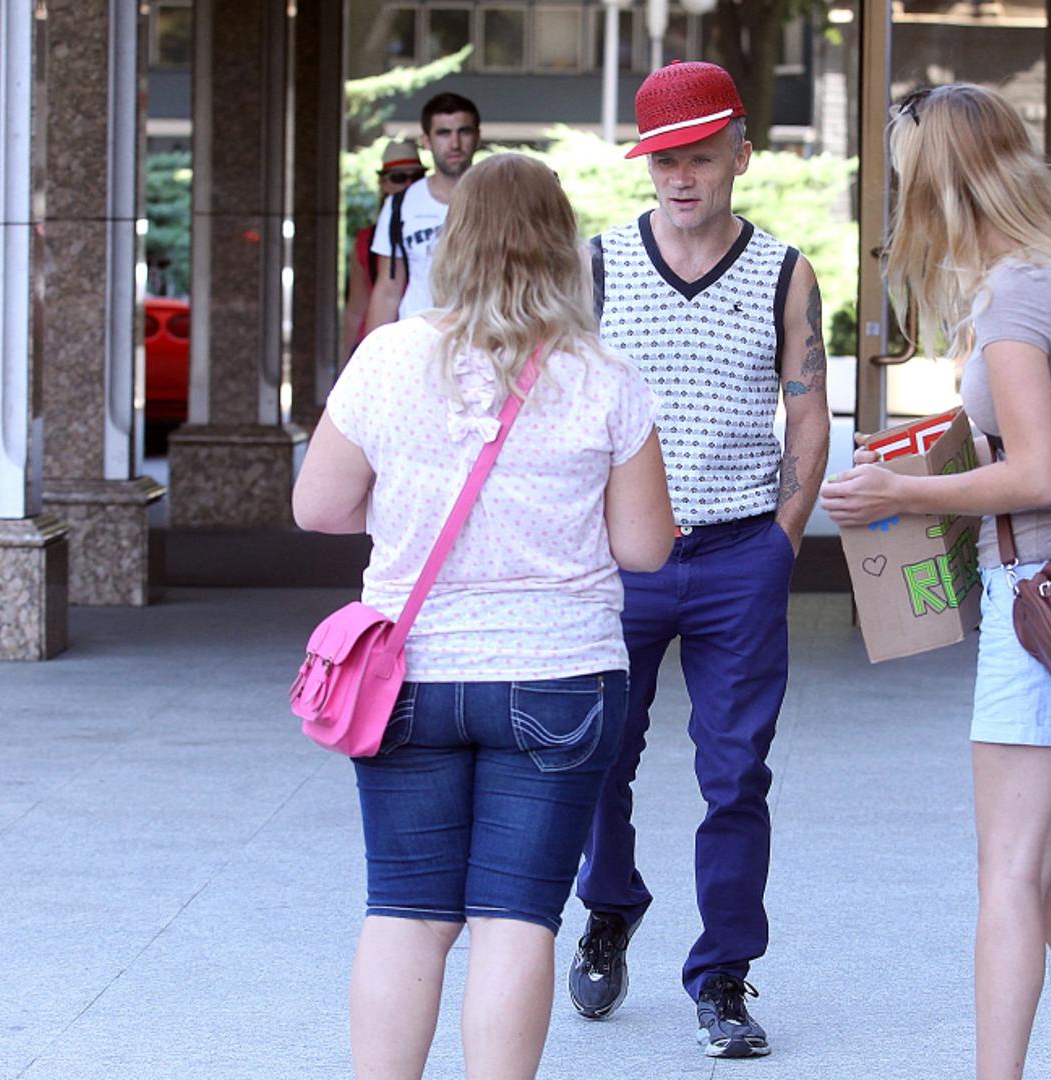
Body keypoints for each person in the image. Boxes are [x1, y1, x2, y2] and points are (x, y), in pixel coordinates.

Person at [819, 83, 1051, 1080]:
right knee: (1035, 865)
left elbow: (1036, 477)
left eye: (905, 178)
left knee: (1011, 874)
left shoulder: (1019, 297)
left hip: (1047, 605)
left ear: (942, 182)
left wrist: (902, 490)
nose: (899, 200)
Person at [292, 153, 674, 1080]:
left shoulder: (388, 358)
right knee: (516, 919)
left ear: (454, 244)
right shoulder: (604, 377)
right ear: (564, 247)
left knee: (406, 912)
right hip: (559, 678)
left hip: (409, 676)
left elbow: (318, 506)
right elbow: (645, 548)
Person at [567, 61, 831, 1060]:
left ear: (742, 157)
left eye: (701, 157)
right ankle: (609, 905)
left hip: (738, 555)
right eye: (664, 160)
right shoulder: (597, 267)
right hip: (620, 561)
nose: (681, 177)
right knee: (599, 755)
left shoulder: (785, 272)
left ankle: (722, 975)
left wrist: (781, 542)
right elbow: (561, 410)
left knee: (736, 775)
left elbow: (808, 411)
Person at [366, 92, 482, 330]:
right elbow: (388, 289)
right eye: (443, 133)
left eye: (463, 131)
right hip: (419, 335)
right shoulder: (401, 204)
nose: (455, 143)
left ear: (477, 136)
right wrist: (372, 347)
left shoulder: (499, 198)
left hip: (481, 334)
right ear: (426, 140)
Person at [341, 139, 425, 364]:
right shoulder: (366, 240)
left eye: (417, 177)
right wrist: (346, 368)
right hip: (383, 347)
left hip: (421, 343)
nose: (409, 184)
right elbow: (356, 310)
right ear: (383, 183)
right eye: (399, 178)